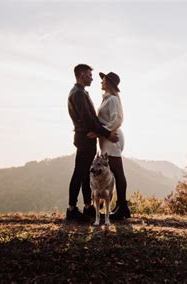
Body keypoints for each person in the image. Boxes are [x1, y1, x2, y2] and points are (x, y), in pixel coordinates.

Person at [66, 64, 119, 222]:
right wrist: (108, 133)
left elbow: (93, 119)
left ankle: (88, 207)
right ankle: (71, 209)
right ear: (82, 75)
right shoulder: (78, 94)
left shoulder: (80, 92)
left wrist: (101, 131)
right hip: (85, 138)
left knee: (85, 174)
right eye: (89, 75)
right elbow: (89, 120)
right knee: (79, 173)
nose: (92, 77)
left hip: (86, 137)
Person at [87, 71, 131, 220]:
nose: (101, 82)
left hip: (112, 139)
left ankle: (123, 207)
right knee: (114, 171)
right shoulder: (107, 99)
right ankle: (120, 206)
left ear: (109, 83)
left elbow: (117, 120)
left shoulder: (112, 99)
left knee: (117, 172)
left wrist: (102, 133)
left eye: (103, 80)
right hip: (107, 138)